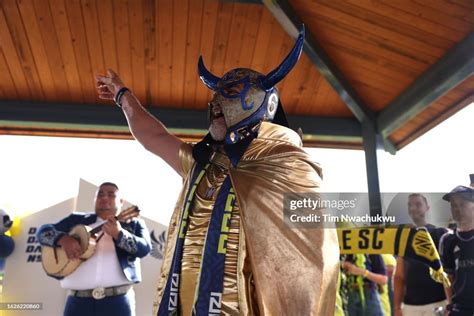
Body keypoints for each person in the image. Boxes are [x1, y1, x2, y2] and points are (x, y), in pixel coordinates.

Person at [96, 27, 339, 315]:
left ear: (267, 103)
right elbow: (154, 137)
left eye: (231, 94)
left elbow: (306, 256)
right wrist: (123, 96)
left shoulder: (287, 163)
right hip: (183, 301)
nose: (215, 104)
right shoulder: (201, 162)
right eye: (215, 98)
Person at [37, 182, 151, 316]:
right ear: (95, 199)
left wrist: (119, 234)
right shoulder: (76, 220)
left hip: (118, 302)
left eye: (111, 194)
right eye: (100, 194)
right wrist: (63, 239)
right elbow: (42, 232)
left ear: (121, 201)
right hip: (77, 302)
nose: (104, 198)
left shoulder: (134, 224)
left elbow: (144, 249)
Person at [393, 194, 448, 316]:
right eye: (410, 205)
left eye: (418, 204)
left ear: (427, 207)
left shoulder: (440, 234)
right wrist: (397, 307)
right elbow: (399, 276)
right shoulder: (404, 236)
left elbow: (449, 273)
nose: (413, 208)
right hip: (411, 306)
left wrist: (450, 303)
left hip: (438, 303)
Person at [439, 185, 474, 316]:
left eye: (462, 204)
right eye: (453, 205)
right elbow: (448, 276)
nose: (457, 209)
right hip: (459, 309)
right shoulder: (447, 240)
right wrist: (450, 304)